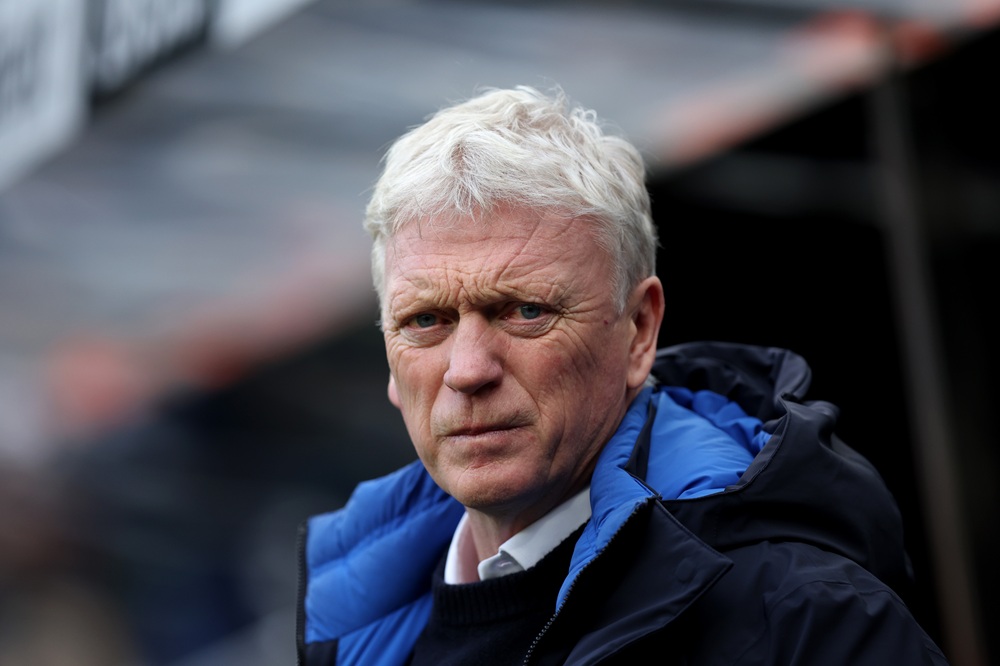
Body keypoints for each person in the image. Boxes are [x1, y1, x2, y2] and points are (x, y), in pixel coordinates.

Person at [296, 85, 948, 665]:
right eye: (425, 320)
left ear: (639, 330)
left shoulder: (805, 623)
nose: (467, 370)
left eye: (525, 311)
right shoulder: (358, 623)